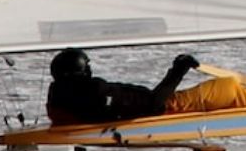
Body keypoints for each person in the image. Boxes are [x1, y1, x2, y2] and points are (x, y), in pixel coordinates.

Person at [44, 49, 192, 125]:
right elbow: (154, 103)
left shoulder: (58, 93)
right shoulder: (96, 92)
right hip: (171, 104)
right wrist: (179, 69)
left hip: (136, 101)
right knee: (208, 93)